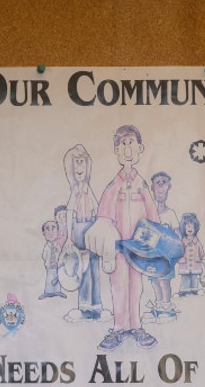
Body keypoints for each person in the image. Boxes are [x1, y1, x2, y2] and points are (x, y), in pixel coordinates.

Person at [85, 125, 160, 349]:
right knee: (118, 286)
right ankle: (119, 328)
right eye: (122, 144)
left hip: (137, 248)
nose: (127, 149)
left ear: (140, 148)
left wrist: (152, 241)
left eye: (131, 144)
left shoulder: (142, 185)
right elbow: (104, 214)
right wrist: (107, 238)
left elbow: (152, 213)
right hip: (117, 248)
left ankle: (136, 326)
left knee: (136, 285)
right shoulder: (113, 186)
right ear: (116, 151)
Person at [61, 143, 103, 320]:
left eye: (82, 162)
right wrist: (69, 238)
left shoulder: (88, 190)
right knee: (83, 269)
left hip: (90, 230)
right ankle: (85, 306)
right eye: (76, 162)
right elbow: (70, 214)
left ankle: (97, 305)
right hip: (78, 232)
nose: (80, 167)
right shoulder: (74, 193)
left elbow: (98, 211)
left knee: (95, 268)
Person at [146, 171, 180, 321]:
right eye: (157, 183)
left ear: (169, 187)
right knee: (154, 281)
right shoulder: (148, 214)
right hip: (152, 257)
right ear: (151, 188)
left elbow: (178, 236)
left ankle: (166, 306)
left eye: (164, 183)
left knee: (164, 282)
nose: (160, 187)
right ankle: (159, 305)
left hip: (166, 257)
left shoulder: (171, 214)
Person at [176, 212, 205, 296]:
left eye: (192, 225)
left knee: (194, 277)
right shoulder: (182, 242)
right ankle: (184, 291)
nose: (190, 227)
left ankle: (194, 290)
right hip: (185, 264)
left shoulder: (197, 242)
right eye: (187, 225)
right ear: (183, 227)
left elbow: (201, 252)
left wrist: (199, 259)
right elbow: (179, 252)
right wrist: (180, 259)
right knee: (185, 278)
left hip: (195, 264)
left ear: (195, 228)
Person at [38, 218, 66, 299]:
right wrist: (47, 262)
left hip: (57, 266)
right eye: (47, 229)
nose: (50, 232)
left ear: (57, 232)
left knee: (57, 279)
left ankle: (57, 291)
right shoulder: (47, 246)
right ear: (43, 233)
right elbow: (44, 256)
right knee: (49, 279)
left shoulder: (58, 245)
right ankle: (48, 292)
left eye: (53, 229)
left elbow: (61, 255)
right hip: (49, 267)